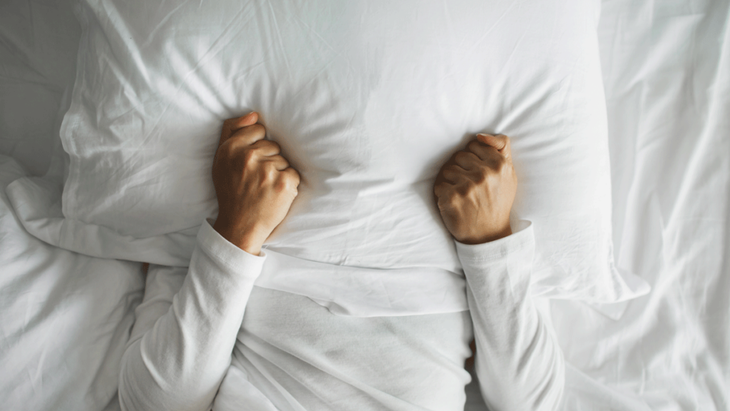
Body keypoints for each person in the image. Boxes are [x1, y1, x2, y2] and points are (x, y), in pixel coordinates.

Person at [118, 112, 565, 410]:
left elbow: (154, 401)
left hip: (263, 224)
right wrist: (490, 241)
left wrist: (235, 232)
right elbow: (532, 402)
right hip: (445, 231)